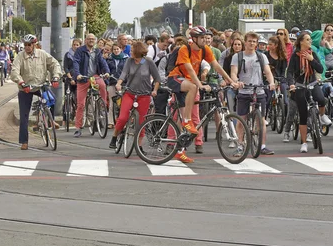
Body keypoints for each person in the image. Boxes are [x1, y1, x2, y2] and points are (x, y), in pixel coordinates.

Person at [166, 26, 236, 163]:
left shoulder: (205, 50)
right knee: (193, 88)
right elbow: (190, 70)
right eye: (202, 38)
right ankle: (187, 121)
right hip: (175, 78)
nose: (205, 40)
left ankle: (179, 151)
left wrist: (230, 81)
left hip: (189, 82)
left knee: (182, 114)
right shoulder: (184, 49)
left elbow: (217, 66)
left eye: (206, 37)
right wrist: (201, 85)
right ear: (194, 39)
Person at [10, 34, 62, 150]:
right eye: (25, 45)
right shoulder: (20, 56)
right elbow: (14, 71)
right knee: (24, 115)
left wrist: (55, 77)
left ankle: (50, 121)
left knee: (52, 99)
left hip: (40, 85)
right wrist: (21, 82)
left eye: (29, 45)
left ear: (34, 45)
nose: (27, 47)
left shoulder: (42, 54)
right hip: (26, 88)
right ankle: (24, 141)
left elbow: (54, 64)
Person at [230, 32, 276, 156]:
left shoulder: (261, 57)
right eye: (249, 41)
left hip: (259, 90)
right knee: (241, 119)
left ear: (256, 44)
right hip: (244, 91)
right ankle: (240, 145)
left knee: (261, 120)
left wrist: (271, 83)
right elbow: (233, 72)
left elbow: (267, 72)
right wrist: (236, 82)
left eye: (254, 41)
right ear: (245, 42)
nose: (251, 43)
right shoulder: (238, 56)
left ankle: (262, 146)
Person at [109, 41, 161, 149]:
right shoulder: (129, 61)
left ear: (138, 52)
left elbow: (157, 79)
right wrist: (118, 84)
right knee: (123, 117)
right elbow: (123, 74)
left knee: (141, 122)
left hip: (144, 95)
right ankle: (114, 136)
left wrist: (155, 90)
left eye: (132, 50)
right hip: (130, 93)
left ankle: (139, 145)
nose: (130, 52)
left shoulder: (148, 62)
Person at [287, 32, 327, 153]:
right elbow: (289, 72)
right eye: (307, 40)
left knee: (321, 99)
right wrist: (292, 84)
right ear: (301, 42)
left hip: (312, 83)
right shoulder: (295, 56)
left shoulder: (312, 53)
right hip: (300, 86)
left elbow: (320, 69)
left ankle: (321, 116)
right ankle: (304, 142)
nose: (310, 42)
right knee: (303, 115)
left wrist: (312, 60)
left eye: (310, 39)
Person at [72, 33, 110, 138]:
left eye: (93, 39)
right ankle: (78, 128)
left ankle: (102, 105)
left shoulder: (97, 51)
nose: (91, 41)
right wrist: (78, 74)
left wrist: (106, 72)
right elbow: (75, 62)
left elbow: (103, 62)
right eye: (89, 39)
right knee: (81, 105)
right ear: (85, 40)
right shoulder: (80, 50)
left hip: (95, 76)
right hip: (83, 78)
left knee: (102, 85)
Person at [106, 44, 129, 128]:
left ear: (121, 49)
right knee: (112, 102)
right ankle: (111, 122)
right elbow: (106, 69)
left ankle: (123, 121)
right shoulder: (109, 59)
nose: (116, 50)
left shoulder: (126, 58)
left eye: (117, 49)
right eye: (114, 49)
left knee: (123, 103)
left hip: (123, 82)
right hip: (112, 82)